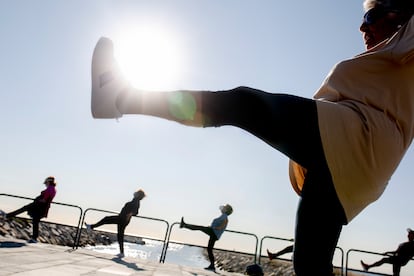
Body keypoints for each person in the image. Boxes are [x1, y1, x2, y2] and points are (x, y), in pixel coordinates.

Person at [89, 0, 414, 274]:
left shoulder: (409, 40)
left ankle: (121, 98)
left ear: (399, 14)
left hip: (358, 139)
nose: (362, 28)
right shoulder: (386, 62)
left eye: (370, 17)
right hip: (345, 169)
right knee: (309, 267)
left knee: (242, 103)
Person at [84, 189, 146, 258]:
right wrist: (129, 214)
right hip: (123, 219)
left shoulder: (136, 201)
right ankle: (122, 253)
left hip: (122, 219)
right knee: (120, 235)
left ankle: (91, 227)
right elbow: (135, 211)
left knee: (106, 219)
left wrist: (129, 214)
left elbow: (135, 212)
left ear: (138, 195)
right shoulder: (135, 201)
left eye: (136, 192)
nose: (135, 193)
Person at [1, 176, 57, 243]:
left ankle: (8, 215)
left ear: (49, 182)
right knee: (35, 220)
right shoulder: (53, 189)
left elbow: (44, 200)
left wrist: (38, 200)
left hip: (39, 206)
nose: (45, 184)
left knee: (25, 209)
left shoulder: (50, 189)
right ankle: (34, 238)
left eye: (46, 182)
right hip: (42, 207)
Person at [179, 204, 233, 271]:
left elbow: (222, 226)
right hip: (214, 233)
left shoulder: (225, 217)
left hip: (214, 233)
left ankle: (184, 225)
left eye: (224, 208)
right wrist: (212, 227)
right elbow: (219, 224)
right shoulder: (223, 216)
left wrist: (214, 227)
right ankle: (212, 265)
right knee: (209, 249)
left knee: (200, 228)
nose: (223, 208)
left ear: (226, 210)